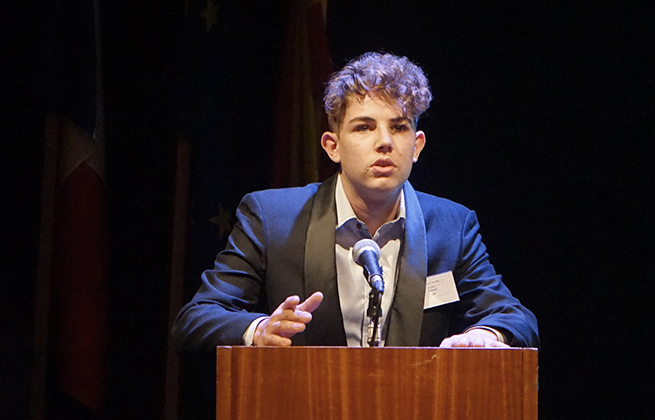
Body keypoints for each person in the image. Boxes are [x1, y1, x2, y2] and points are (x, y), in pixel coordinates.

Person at [173, 52, 538, 350]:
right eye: (364, 127)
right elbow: (198, 317)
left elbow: (514, 318)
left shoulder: (451, 225)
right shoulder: (271, 217)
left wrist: (486, 334)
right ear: (332, 146)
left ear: (417, 146)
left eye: (399, 127)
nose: (385, 142)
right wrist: (260, 329)